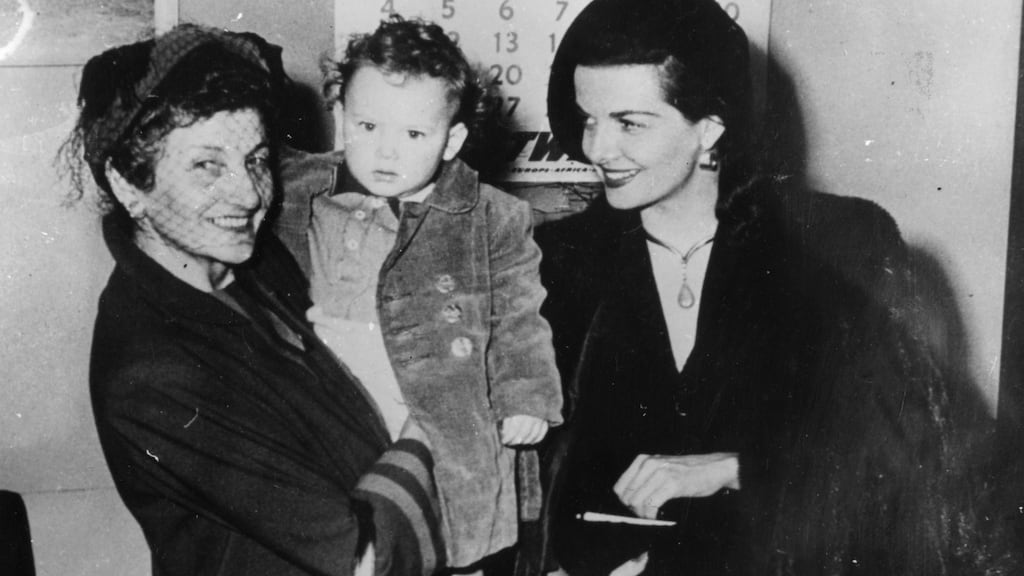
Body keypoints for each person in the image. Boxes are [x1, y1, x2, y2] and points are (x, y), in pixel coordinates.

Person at [537, 0, 1007, 574]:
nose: (597, 150)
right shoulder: (561, 261)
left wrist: (738, 466)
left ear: (710, 127)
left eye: (629, 123)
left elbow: (913, 450)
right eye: (589, 119)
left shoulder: (842, 244)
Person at [63, 24, 445, 576]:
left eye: (257, 160)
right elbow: (363, 559)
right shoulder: (153, 372)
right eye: (206, 165)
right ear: (128, 183)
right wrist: (442, 417)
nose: (248, 195)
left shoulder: (254, 265)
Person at [272, 15, 563, 569]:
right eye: (367, 127)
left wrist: (527, 394)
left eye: (412, 134)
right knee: (353, 542)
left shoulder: (491, 216)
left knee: (451, 538)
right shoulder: (302, 190)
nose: (386, 153)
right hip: (334, 396)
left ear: (451, 138)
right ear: (341, 117)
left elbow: (520, 313)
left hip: (442, 404)